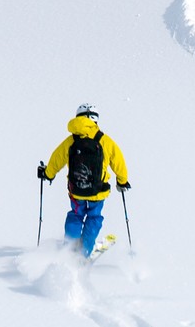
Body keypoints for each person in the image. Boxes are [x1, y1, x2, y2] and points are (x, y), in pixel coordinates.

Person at [38, 104, 131, 257]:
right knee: (94, 217)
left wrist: (48, 173)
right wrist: (122, 181)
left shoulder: (70, 141)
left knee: (75, 215)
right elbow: (118, 162)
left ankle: (69, 248)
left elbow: (57, 159)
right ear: (96, 120)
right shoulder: (105, 141)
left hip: (76, 191)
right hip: (98, 192)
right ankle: (85, 250)